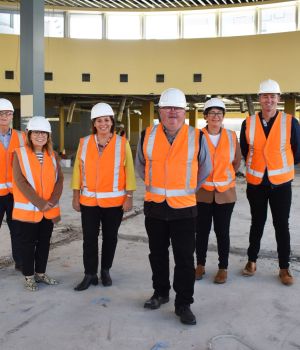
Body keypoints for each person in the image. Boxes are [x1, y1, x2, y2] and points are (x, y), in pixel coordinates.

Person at [136, 88, 211, 325]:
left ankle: (183, 303)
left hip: (184, 208)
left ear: (184, 111)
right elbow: (140, 166)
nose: (172, 112)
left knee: (185, 259)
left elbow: (205, 169)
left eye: (177, 108)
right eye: (168, 108)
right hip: (155, 206)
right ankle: (160, 293)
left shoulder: (196, 136)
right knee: (157, 255)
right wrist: (154, 185)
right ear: (159, 111)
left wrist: (187, 187)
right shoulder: (146, 135)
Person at [240, 79, 300, 286]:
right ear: (259, 99)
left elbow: (297, 151)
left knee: (281, 225)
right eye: (265, 96)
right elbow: (245, 150)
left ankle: (284, 267)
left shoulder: (290, 121)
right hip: (256, 183)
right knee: (257, 222)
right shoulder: (248, 123)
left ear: (279, 99)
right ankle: (251, 261)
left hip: (281, 184)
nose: (269, 100)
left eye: (272, 96)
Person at [72, 102, 136, 291]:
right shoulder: (84, 143)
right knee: (89, 239)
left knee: (110, 238)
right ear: (94, 123)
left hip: (114, 201)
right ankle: (89, 274)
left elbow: (129, 171)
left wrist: (129, 196)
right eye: (99, 121)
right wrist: (76, 196)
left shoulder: (122, 143)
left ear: (112, 122)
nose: (103, 124)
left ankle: (105, 270)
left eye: (106, 120)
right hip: (89, 201)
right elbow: (77, 170)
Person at [12, 116, 63, 291]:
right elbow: (20, 182)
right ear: (29, 134)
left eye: (44, 133)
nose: (40, 136)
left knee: (44, 243)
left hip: (48, 210)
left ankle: (40, 273)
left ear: (48, 136)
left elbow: (59, 180)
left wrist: (53, 200)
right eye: (36, 132)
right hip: (29, 211)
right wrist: (41, 203)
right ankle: (29, 276)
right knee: (28, 245)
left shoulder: (53, 155)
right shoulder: (19, 153)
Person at [195, 98, 241, 284]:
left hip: (225, 193)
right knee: (202, 231)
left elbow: (236, 161)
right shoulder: (197, 136)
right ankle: (200, 265)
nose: (216, 116)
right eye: (212, 113)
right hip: (203, 193)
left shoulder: (231, 136)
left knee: (223, 232)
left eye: (219, 113)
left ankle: (223, 267)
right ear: (205, 116)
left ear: (223, 117)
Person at [0, 98, 24, 271]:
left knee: (18, 230)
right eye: (1, 113)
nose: (4, 116)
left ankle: (20, 261)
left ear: (12, 116)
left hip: (16, 194)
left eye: (7, 113)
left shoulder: (21, 137)